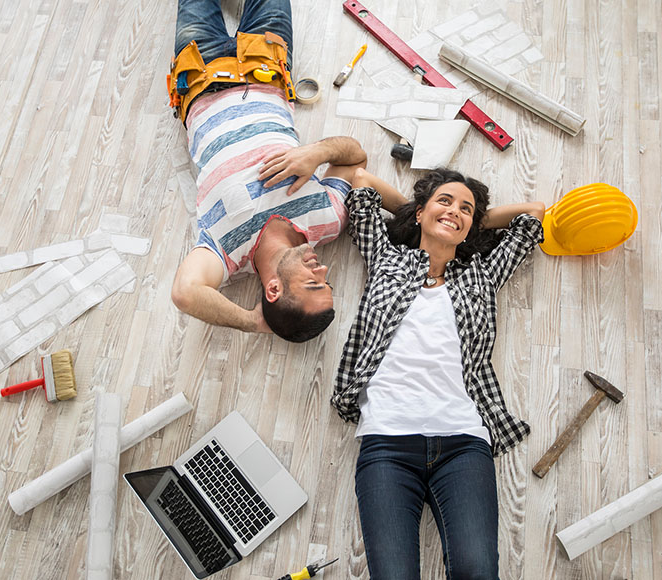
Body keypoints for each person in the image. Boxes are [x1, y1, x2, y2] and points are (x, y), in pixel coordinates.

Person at [332, 167, 546, 579]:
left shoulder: (482, 275)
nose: (456, 211)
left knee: (477, 571)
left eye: (466, 209)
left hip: (463, 444)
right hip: (386, 446)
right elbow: (360, 180)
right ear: (418, 213)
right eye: (445, 201)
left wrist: (463, 220)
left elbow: (533, 214)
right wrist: (425, 211)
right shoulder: (385, 258)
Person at [169, 0, 367, 342]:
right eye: (326, 279)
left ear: (273, 289)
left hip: (200, 73)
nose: (322, 268)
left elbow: (185, 293)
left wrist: (252, 322)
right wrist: (317, 152)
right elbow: (355, 156)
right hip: (266, 64)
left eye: (312, 281)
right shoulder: (328, 221)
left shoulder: (226, 254)